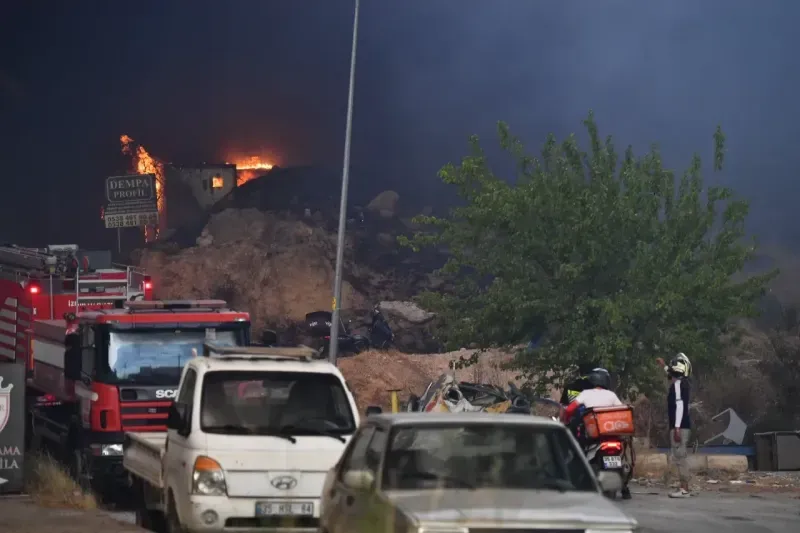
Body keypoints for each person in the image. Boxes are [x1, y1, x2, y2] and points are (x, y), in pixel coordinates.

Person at [663, 354, 692, 498]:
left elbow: (679, 406)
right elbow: (670, 372)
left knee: (680, 457)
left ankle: (684, 488)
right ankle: (683, 486)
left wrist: (677, 427)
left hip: (679, 426)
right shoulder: (683, 383)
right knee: (679, 456)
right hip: (682, 425)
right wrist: (663, 365)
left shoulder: (678, 385)